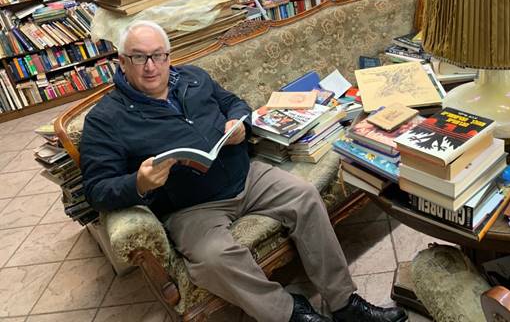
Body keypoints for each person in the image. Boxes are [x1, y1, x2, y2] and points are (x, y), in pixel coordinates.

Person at [80, 20, 407, 322]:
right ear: (122, 62)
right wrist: (138, 182)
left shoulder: (193, 77)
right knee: (213, 258)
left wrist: (239, 122)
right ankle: (291, 312)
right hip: (190, 208)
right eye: (139, 58)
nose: (151, 66)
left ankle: (344, 303)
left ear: (168, 56)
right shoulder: (106, 119)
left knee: (304, 196)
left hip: (245, 176)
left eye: (157, 56)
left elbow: (234, 102)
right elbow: (97, 190)